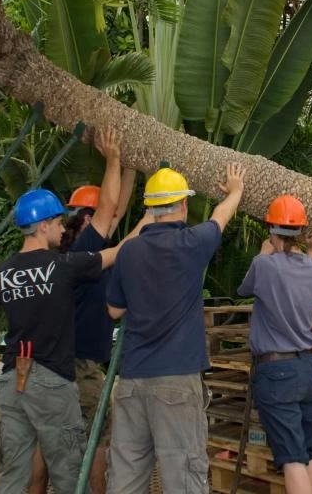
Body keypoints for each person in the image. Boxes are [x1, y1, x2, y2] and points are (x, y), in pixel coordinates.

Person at [0, 184, 131, 494]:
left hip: (12, 381)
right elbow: (115, 252)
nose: (63, 229)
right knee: (69, 470)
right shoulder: (61, 267)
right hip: (52, 380)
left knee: (14, 470)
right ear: (43, 225)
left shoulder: (3, 272)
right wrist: (151, 219)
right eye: (57, 222)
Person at [106, 162, 246, 494]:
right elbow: (220, 217)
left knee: (125, 476)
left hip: (131, 380)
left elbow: (113, 309)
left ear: (150, 210)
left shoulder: (128, 252)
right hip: (176, 381)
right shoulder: (192, 244)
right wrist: (236, 189)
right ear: (183, 205)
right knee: (183, 476)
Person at [28, 129, 134, 494]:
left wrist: (131, 167)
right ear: (86, 219)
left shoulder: (66, 254)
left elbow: (114, 213)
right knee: (97, 443)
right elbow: (111, 214)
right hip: (82, 366)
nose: (111, 217)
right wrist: (115, 159)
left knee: (47, 441)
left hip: (56, 363)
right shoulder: (87, 249)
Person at [238, 195, 312, 494]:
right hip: (310, 370)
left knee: (291, 459)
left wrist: (266, 254)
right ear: (302, 232)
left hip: (278, 372)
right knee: (310, 452)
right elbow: (308, 291)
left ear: (271, 230)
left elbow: (244, 290)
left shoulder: (265, 266)